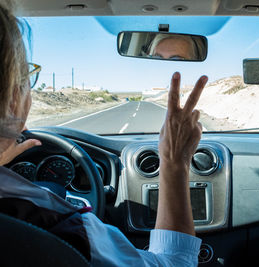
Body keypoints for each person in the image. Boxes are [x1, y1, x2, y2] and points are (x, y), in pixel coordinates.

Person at [0, 1, 208, 266]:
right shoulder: (60, 229)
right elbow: (177, 262)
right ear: (12, 98)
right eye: (26, 77)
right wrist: (175, 161)